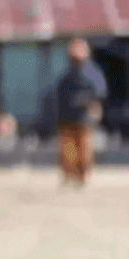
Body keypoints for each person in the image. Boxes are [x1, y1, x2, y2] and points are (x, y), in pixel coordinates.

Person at [54, 38, 107, 187]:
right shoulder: (66, 76)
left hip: (84, 118)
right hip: (66, 117)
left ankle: (83, 175)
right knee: (67, 150)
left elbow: (99, 93)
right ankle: (69, 175)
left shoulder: (92, 73)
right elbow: (60, 94)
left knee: (85, 149)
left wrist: (91, 104)